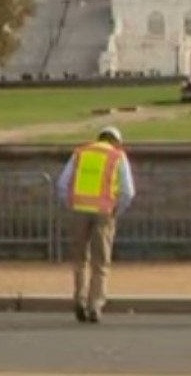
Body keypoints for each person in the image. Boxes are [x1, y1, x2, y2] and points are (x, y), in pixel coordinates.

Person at [56, 125, 135, 323]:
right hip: (104, 212)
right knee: (101, 262)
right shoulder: (118, 156)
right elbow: (127, 192)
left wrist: (71, 203)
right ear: (116, 141)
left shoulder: (80, 153)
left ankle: (80, 300)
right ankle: (95, 306)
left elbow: (62, 183)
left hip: (79, 210)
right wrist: (117, 210)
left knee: (80, 259)